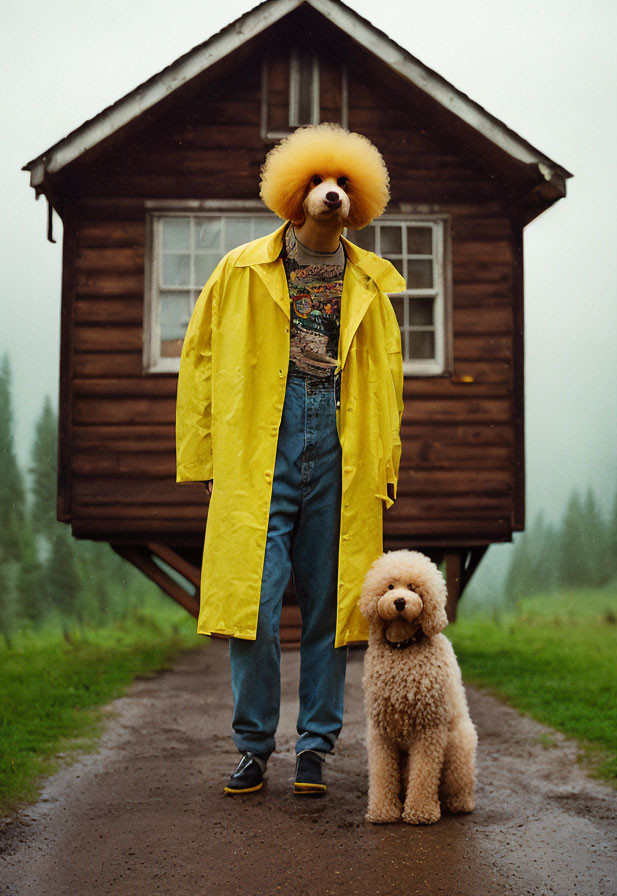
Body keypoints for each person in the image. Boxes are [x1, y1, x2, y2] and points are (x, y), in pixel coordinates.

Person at [175, 124, 404, 796]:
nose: (328, 194)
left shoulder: (369, 282)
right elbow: (201, 360)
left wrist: (382, 466)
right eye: (314, 183)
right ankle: (252, 747)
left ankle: (314, 747)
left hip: (338, 445)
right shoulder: (241, 268)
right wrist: (208, 454)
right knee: (255, 601)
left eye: (339, 185)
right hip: (260, 445)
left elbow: (389, 380)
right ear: (293, 196)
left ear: (354, 199)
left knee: (333, 603)